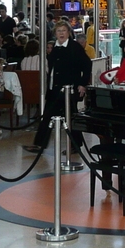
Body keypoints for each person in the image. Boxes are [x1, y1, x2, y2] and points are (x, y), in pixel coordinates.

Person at [27, 22, 92, 152]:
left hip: (68, 89)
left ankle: (74, 145)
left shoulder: (74, 47)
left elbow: (87, 64)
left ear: (68, 32)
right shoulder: (54, 48)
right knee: (47, 116)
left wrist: (82, 84)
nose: (61, 33)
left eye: (64, 30)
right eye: (58, 31)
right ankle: (40, 144)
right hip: (54, 88)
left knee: (71, 117)